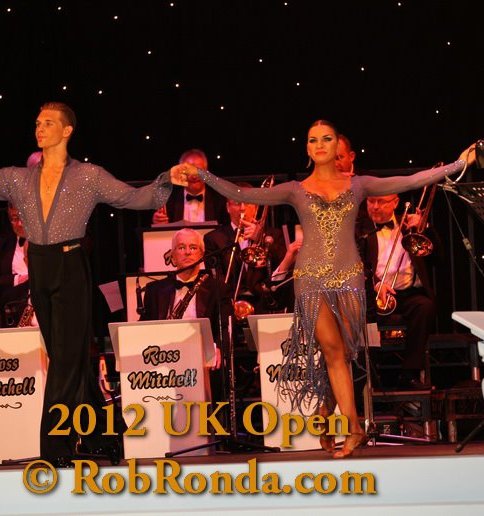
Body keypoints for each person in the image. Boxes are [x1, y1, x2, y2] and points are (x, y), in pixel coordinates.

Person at [172, 119, 475, 458]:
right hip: (311, 279)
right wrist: (204, 176)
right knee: (332, 350)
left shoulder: (358, 185)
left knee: (343, 353)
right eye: (313, 140)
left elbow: (410, 180)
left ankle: (325, 412)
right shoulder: (295, 190)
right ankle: (354, 427)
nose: (319, 145)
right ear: (307, 148)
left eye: (326, 139)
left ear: (337, 147)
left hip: (349, 277)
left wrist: (458, 164)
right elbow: (242, 194)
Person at [0, 101, 176, 466]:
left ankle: (55, 449)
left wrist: (167, 180)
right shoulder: (17, 178)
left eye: (49, 122)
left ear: (67, 131)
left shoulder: (88, 176)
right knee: (71, 360)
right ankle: (103, 437)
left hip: (70, 264)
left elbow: (134, 197)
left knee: (65, 361)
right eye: (37, 122)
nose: (39, 127)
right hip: (40, 267)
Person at [359, 193, 440, 388]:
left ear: (395, 203)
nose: (375, 206)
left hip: (407, 293)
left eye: (381, 201)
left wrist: (425, 227)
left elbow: (438, 258)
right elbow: (355, 263)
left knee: (425, 306)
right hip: (373, 294)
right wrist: (376, 284)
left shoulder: (409, 226)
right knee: (358, 314)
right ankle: (367, 379)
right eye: (371, 201)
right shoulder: (359, 229)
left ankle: (410, 374)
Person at [141, 228, 232, 400]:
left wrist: (219, 347)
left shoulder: (218, 288)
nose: (188, 252)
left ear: (202, 255)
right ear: (172, 256)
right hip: (164, 359)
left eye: (193, 247)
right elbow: (144, 327)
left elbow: (225, 326)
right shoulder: (155, 290)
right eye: (181, 247)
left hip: (202, 359)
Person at [204, 185, 288, 316]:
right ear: (228, 207)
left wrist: (260, 238)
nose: (242, 208)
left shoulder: (274, 235)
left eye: (248, 202)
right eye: (237, 203)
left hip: (264, 305)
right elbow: (216, 278)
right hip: (230, 306)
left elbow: (283, 268)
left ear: (255, 206)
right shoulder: (213, 238)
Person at [152, 149, 228, 225]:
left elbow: (226, 229)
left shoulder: (220, 200)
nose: (194, 176)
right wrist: (160, 224)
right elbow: (163, 229)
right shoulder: (169, 200)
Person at [0, 205, 31, 327]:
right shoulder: (4, 245)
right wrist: (17, 279)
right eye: (15, 218)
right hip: (13, 312)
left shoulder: (50, 242)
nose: (19, 223)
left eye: (23, 218)